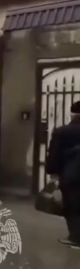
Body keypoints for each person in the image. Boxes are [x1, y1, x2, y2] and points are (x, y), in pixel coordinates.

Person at [45, 101, 80, 248]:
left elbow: (54, 155)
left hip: (71, 176)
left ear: (72, 113)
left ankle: (76, 238)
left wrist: (53, 173)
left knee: (72, 207)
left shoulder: (62, 132)